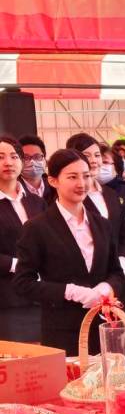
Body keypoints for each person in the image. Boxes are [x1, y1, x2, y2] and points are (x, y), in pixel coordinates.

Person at [15, 149, 125, 354]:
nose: (81, 184)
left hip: (104, 327)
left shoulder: (101, 224)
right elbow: (23, 283)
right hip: (63, 330)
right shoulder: (37, 227)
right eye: (72, 177)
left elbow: (116, 273)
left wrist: (106, 287)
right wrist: (70, 291)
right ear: (54, 180)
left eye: (86, 176)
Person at [66, 134, 125, 274]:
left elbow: (123, 234)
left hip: (116, 276)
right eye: (86, 155)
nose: (94, 160)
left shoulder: (110, 194)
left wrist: (123, 260)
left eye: (97, 155)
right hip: (83, 276)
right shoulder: (66, 197)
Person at [0, 136, 45, 342]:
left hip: (42, 295)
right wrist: (19, 264)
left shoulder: (36, 201)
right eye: (0, 157)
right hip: (8, 300)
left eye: (14, 156)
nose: (8, 162)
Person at [18, 135, 50, 200]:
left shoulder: (56, 188)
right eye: (26, 157)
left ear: (45, 160)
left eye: (37, 157)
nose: (32, 161)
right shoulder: (12, 189)